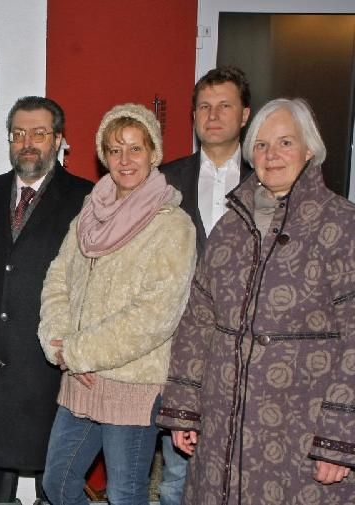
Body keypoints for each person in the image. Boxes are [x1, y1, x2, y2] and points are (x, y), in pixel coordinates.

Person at [157, 98, 355, 504]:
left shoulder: (342, 225)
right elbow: (198, 321)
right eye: (262, 146)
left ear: (309, 150)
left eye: (285, 142)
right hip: (222, 431)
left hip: (303, 433)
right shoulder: (230, 228)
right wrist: (184, 407)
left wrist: (339, 439)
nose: (272, 155)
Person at [39, 104, 196, 505]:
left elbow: (156, 314)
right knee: (57, 484)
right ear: (103, 156)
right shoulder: (89, 214)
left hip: (133, 383)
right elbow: (59, 278)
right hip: (80, 377)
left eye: (134, 149)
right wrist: (59, 343)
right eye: (114, 150)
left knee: (125, 494)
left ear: (153, 152)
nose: (124, 160)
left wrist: (82, 351)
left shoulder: (172, 224)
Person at [0, 96, 93, 503]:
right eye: (18, 134)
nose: (28, 142)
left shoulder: (87, 198)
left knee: (53, 477)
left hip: (48, 365)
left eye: (39, 133)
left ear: (59, 140)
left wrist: (83, 354)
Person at [158, 65, 252, 505]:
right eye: (204, 107)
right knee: (177, 474)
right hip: (182, 347)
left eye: (224, 106)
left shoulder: (269, 176)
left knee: (241, 473)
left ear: (245, 114)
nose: (213, 116)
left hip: (249, 351)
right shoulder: (165, 179)